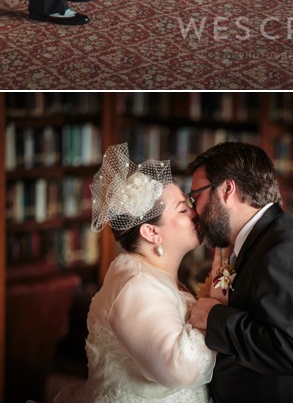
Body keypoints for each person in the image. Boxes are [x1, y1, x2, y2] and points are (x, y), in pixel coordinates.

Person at [187, 142, 293, 402]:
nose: (194, 212)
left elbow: (289, 349)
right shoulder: (263, 239)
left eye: (195, 196)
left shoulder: (283, 248)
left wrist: (214, 317)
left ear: (227, 189)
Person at [61, 143, 215, 402]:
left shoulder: (154, 273)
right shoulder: (136, 284)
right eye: (182, 209)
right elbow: (179, 368)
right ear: (151, 232)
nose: (195, 211)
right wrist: (213, 308)